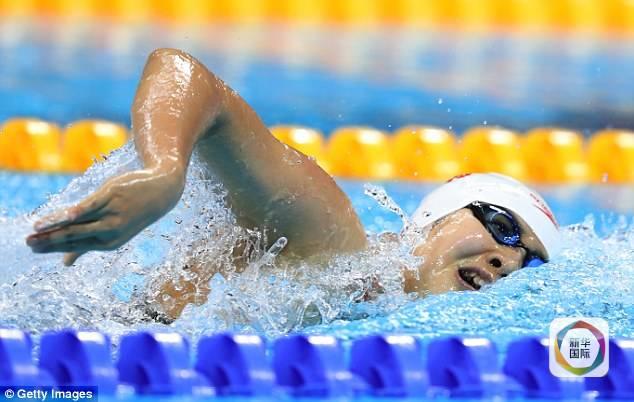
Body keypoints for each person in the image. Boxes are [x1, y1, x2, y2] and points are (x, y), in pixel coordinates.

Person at [25, 48, 560, 322]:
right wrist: (165, 171)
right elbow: (185, 73)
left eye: (530, 261)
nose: (508, 260)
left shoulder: (376, 303)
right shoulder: (334, 241)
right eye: (501, 226)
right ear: (436, 217)